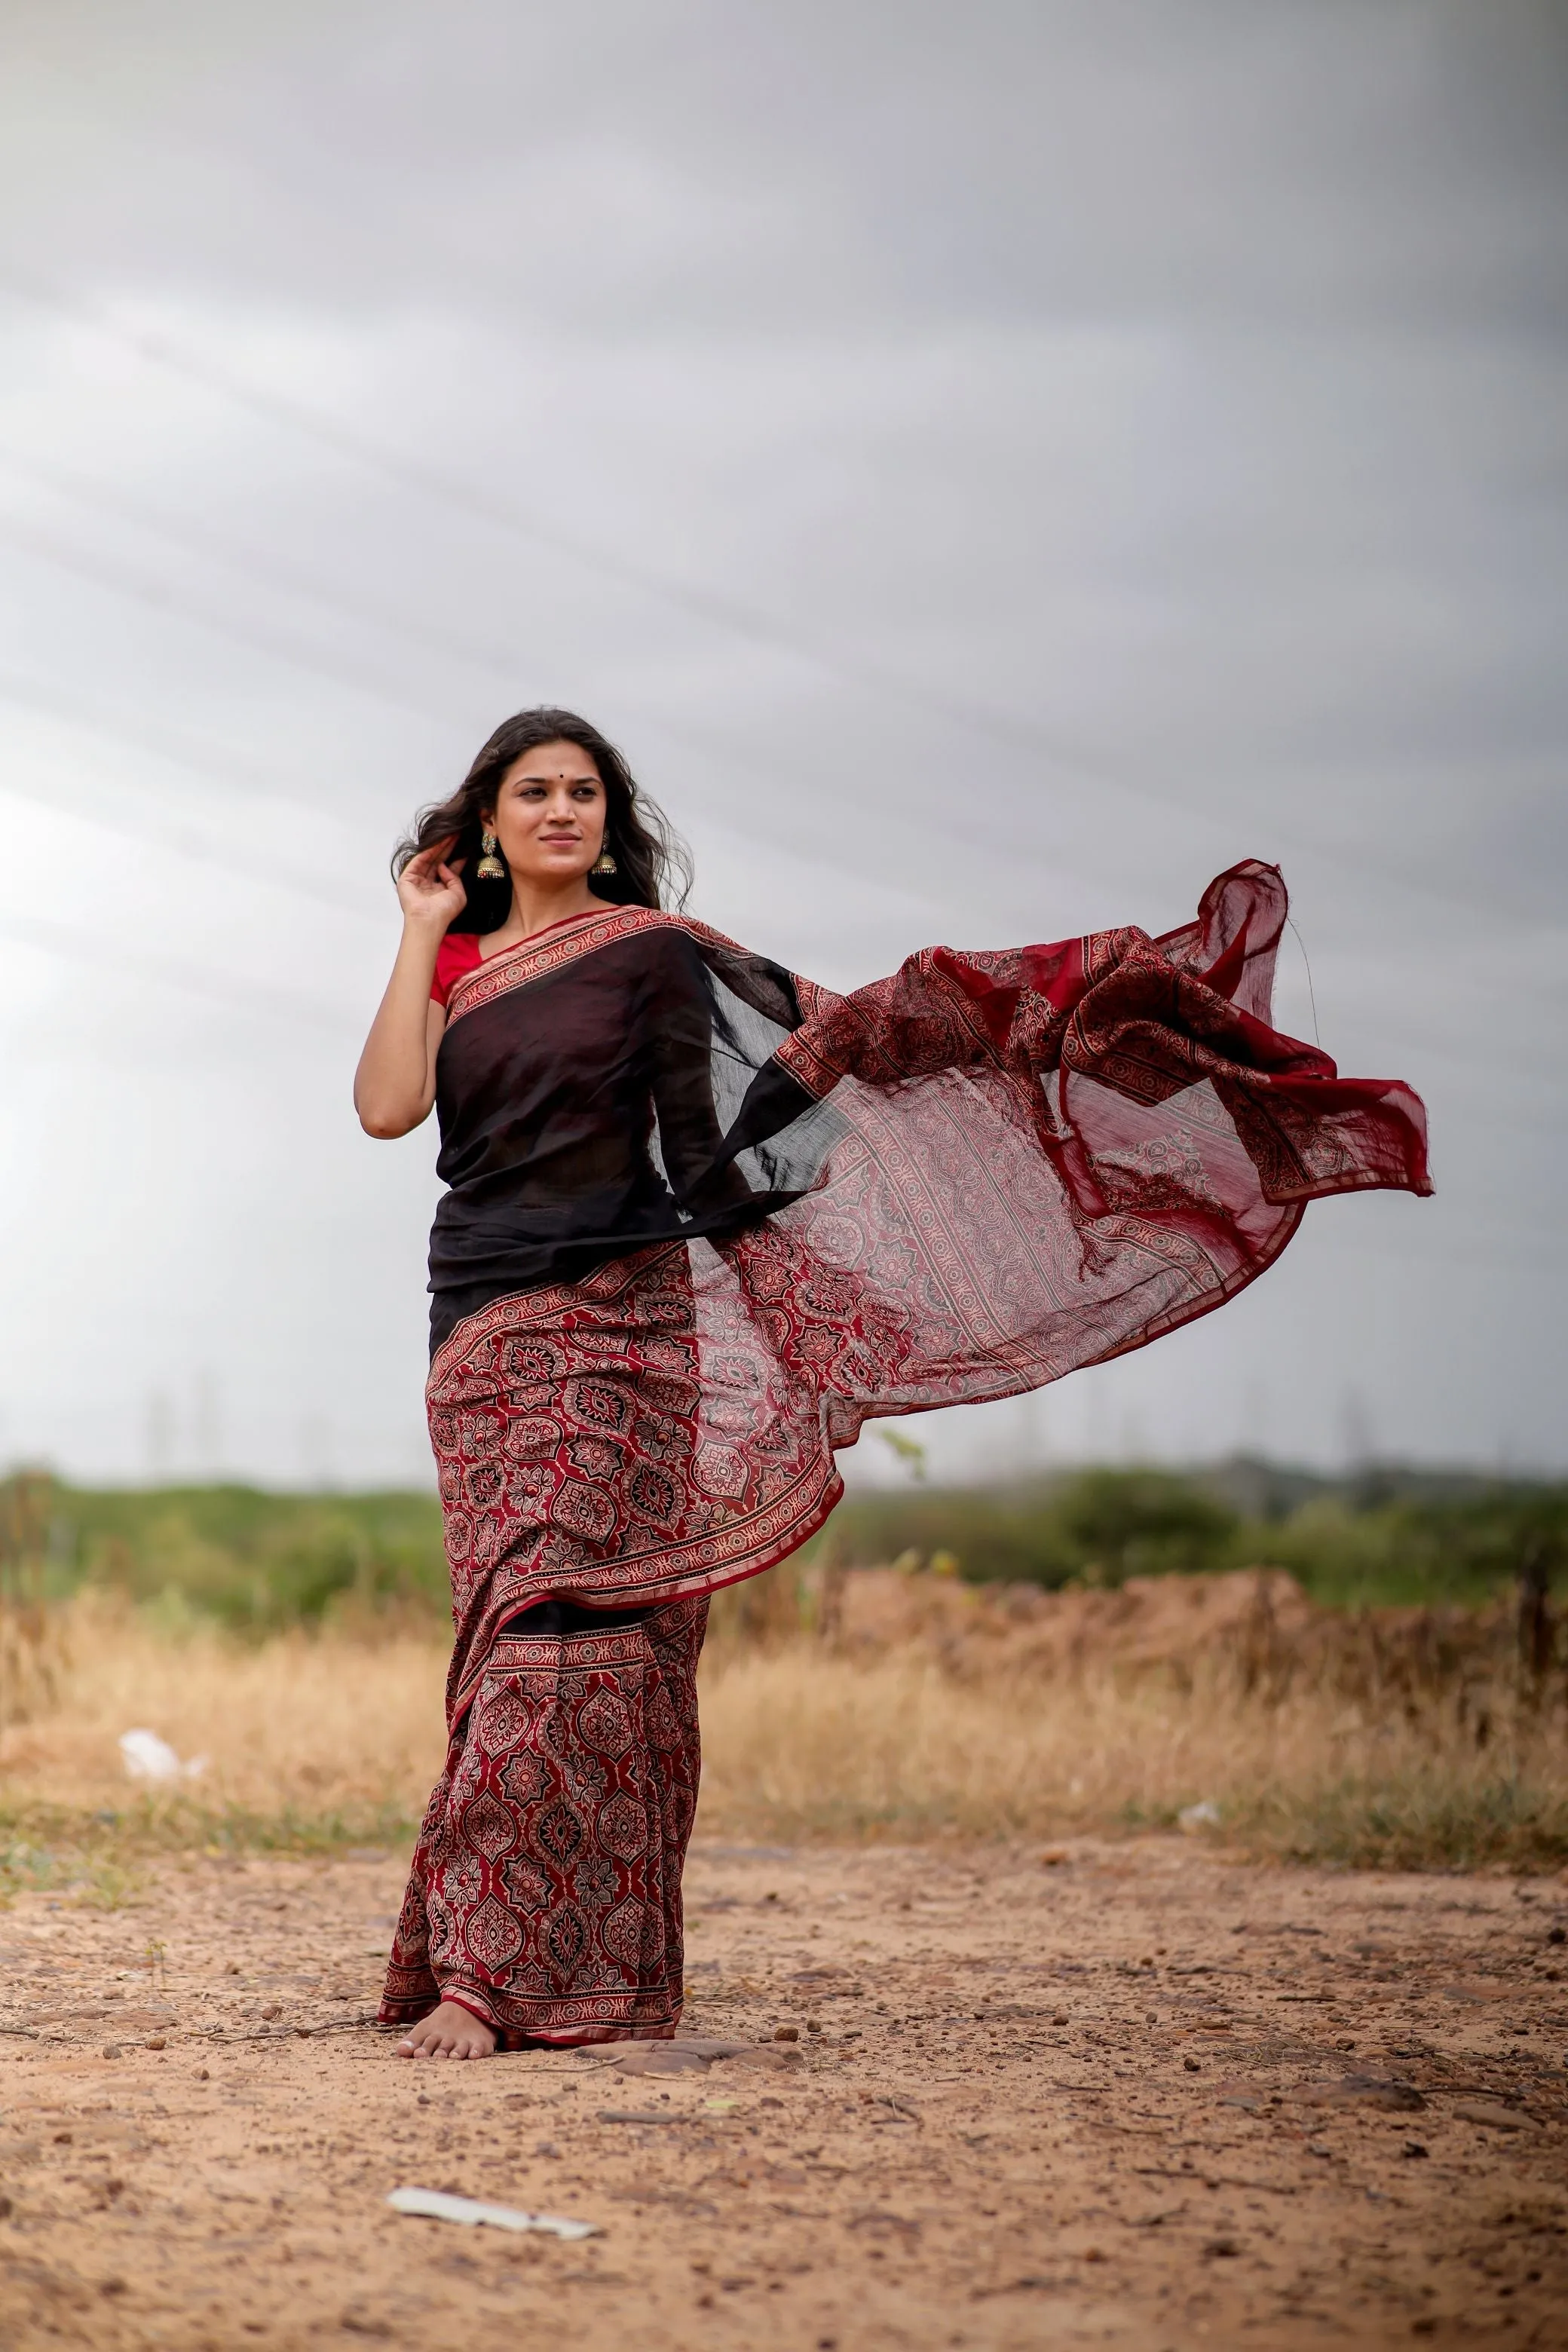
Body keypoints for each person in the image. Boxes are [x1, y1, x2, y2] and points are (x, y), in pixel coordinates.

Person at [354, 707, 1430, 2059]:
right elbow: (390, 1110)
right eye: (534, 794)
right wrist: (415, 926)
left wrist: (897, 1158)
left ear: (609, 828)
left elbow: (753, 1137)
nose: (561, 812)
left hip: (629, 1325)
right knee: (508, 1628)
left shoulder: (661, 962)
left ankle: (505, 1980)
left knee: (586, 1635)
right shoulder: (452, 971)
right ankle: (489, 1959)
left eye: (584, 794)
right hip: (482, 1333)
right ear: (490, 826)